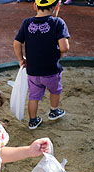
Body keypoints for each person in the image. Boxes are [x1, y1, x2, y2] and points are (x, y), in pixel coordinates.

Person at [13, 0, 70, 129]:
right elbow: (64, 47)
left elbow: (16, 43)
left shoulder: (27, 22)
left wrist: (21, 59)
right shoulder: (58, 22)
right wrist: (60, 53)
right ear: (57, 6)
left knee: (33, 96)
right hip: (51, 69)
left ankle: (33, 121)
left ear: (35, 6)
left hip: (32, 70)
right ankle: (54, 111)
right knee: (55, 90)